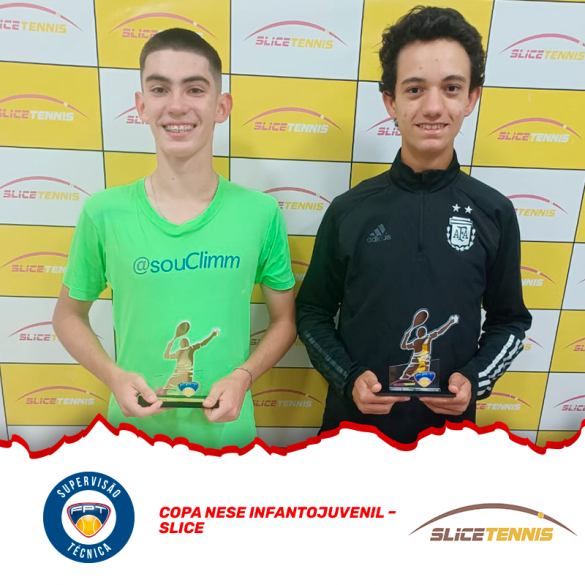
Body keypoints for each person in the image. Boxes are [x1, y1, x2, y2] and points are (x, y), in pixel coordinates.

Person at [296, 6, 532, 444]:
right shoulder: (349, 210)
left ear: (472, 98)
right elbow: (311, 313)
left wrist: (475, 380)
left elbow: (510, 321)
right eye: (415, 89)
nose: (433, 106)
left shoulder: (494, 212)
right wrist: (348, 376)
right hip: (352, 436)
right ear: (391, 101)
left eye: (451, 88)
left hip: (448, 441)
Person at [53, 28, 297, 448]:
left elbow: (285, 321)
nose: (177, 105)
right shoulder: (103, 213)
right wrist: (113, 376)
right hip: (134, 442)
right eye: (160, 89)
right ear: (141, 105)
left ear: (222, 106)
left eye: (195, 89)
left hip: (229, 442)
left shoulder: (261, 213)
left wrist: (243, 376)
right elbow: (67, 316)